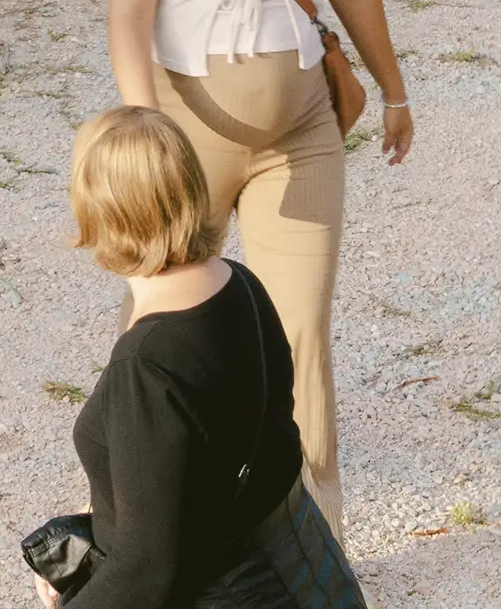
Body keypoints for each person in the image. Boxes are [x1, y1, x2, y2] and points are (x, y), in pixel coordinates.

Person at [105, 0, 415, 533]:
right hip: (187, 131)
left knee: (300, 334)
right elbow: (129, 12)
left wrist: (394, 88)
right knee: (157, 326)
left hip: (300, 135)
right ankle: (141, 525)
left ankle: (317, 536)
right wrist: (148, 130)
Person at [47, 106, 320, 609]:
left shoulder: (147, 366)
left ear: (101, 210)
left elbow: (146, 567)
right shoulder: (239, 285)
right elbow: (248, 447)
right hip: (283, 572)